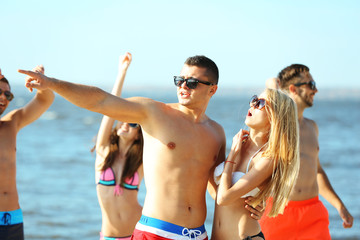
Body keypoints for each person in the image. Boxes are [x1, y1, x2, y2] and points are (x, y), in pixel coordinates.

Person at [18, 55, 225, 239]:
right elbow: (100, 101)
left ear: (212, 89)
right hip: (155, 232)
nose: (183, 86)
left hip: (198, 234)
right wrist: (52, 83)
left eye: (191, 82)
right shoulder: (156, 114)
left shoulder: (217, 133)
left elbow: (218, 191)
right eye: (179, 80)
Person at [259, 64, 354, 239]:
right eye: (311, 84)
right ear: (293, 89)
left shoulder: (312, 127)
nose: (315, 90)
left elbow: (316, 170)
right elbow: (270, 84)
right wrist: (276, 87)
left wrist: (340, 206)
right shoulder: (275, 123)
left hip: (313, 212)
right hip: (277, 212)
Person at [210, 89, 300, 240]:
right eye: (254, 100)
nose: (253, 105)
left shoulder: (268, 158)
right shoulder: (240, 144)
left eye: (261, 103)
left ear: (275, 117)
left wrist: (232, 154)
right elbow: (216, 193)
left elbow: (223, 198)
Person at [93, 53, 144, 240]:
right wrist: (122, 72)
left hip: (136, 235)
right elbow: (109, 108)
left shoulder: (141, 161)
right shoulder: (103, 151)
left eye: (132, 123)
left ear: (139, 132)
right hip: (108, 236)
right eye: (122, 119)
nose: (125, 123)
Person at [0, 66, 54, 240]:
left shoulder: (11, 124)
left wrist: (42, 84)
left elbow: (45, 101)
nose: (3, 97)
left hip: (13, 220)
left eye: (8, 95)